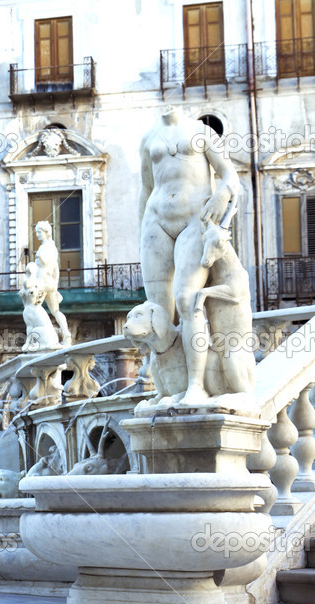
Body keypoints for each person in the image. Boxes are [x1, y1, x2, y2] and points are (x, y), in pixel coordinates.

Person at [138, 105, 240, 404]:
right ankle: (168, 387)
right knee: (157, 311)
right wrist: (139, 232)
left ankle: (196, 385)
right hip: (155, 220)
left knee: (188, 299)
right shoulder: (148, 138)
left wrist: (222, 193)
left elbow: (230, 176)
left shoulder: (202, 131)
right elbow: (146, 188)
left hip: (195, 218)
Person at [33, 221, 72, 346]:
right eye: (37, 232)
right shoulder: (53, 247)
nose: (37, 235)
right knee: (56, 311)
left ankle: (43, 337)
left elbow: (43, 266)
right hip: (50, 284)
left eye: (39, 232)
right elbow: (56, 270)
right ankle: (66, 335)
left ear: (46, 232)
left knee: (33, 309)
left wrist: (37, 284)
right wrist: (54, 285)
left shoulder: (45, 248)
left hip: (42, 283)